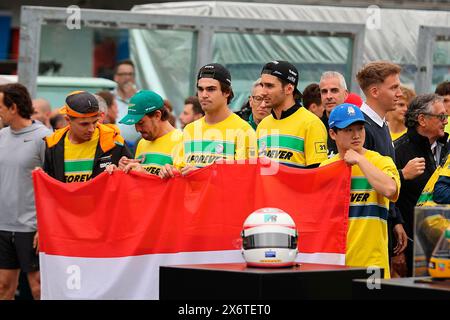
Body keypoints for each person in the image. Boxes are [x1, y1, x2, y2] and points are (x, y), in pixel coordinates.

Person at [321, 103, 400, 278]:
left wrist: (360, 160)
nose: (357, 135)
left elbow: (389, 189)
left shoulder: (381, 161)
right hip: (334, 262)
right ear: (333, 133)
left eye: (360, 129)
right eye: (348, 130)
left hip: (371, 263)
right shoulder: (325, 167)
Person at [356, 61, 409, 276]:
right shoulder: (361, 128)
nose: (400, 93)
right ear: (375, 91)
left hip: (380, 228)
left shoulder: (380, 124)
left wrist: (395, 220)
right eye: (394, 87)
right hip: (363, 239)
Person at [0, 83, 52, 299]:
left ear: (13, 108)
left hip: (31, 227)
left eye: (0, 106)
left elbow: (53, 184)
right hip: (3, 226)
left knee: (38, 288)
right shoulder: (1, 136)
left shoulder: (44, 137)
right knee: (3, 287)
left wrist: (45, 226)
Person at [159, 63, 256, 178]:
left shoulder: (244, 130)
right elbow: (179, 172)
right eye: (200, 89)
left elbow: (246, 178)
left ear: (226, 92)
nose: (204, 95)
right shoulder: (190, 129)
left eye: (211, 89)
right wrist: (169, 171)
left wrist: (203, 173)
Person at [395, 94, 449, 275]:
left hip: (444, 244)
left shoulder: (447, 147)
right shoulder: (399, 150)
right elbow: (389, 200)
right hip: (412, 246)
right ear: (422, 119)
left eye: (446, 116)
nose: (446, 121)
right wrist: (397, 251)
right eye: (441, 116)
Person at [43, 91, 131, 183]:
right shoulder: (53, 145)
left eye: (94, 122)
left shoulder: (114, 141)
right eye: (84, 124)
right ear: (68, 120)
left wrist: (121, 173)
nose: (91, 129)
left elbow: (131, 181)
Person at [257, 60, 328, 168]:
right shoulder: (263, 125)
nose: (263, 92)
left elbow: (317, 175)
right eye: (262, 85)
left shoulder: (311, 124)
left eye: (269, 86)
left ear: (289, 89)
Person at [110, 90, 182, 176]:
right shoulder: (142, 143)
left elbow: (182, 185)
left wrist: (146, 175)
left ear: (157, 115)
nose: (137, 129)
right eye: (135, 124)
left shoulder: (182, 141)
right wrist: (123, 170)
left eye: (141, 123)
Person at [319, 71, 349, 157]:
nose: (328, 96)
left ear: (345, 94)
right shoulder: (314, 125)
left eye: (334, 90)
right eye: (324, 91)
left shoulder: (359, 126)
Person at [112, 59, 140, 150]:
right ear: (116, 77)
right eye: (123, 74)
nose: (127, 77)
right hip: (113, 146)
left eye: (130, 74)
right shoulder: (110, 98)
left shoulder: (141, 98)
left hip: (136, 148)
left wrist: (134, 99)